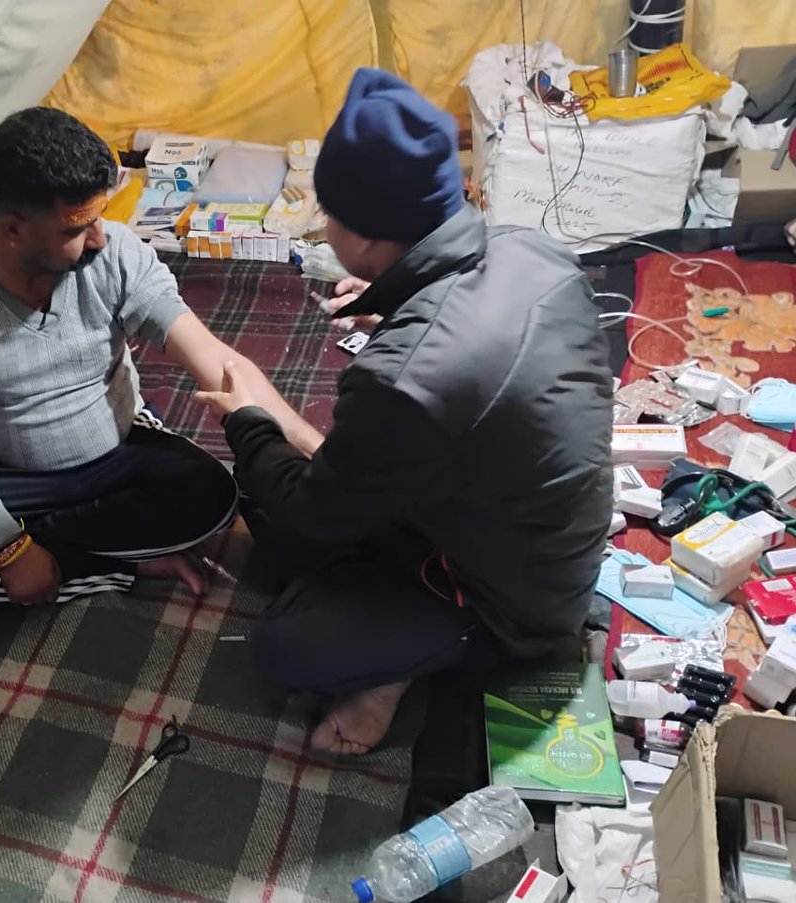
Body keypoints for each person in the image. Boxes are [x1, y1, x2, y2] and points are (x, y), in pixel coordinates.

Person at [196, 69, 613, 755]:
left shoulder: (405, 374)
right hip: (523, 525)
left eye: (330, 215)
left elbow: (314, 509)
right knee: (260, 492)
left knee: (283, 646)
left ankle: (408, 665)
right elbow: (466, 331)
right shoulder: (530, 250)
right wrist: (398, 291)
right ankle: (378, 606)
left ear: (361, 235)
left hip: (514, 601)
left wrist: (247, 417)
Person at [0, 107, 322, 608]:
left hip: (118, 458)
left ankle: (68, 553)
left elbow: (223, 366)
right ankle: (104, 559)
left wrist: (320, 453)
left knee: (212, 495)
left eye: (99, 217)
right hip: (15, 477)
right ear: (13, 230)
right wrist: (6, 546)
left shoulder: (116, 254)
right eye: (78, 227)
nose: (100, 237)